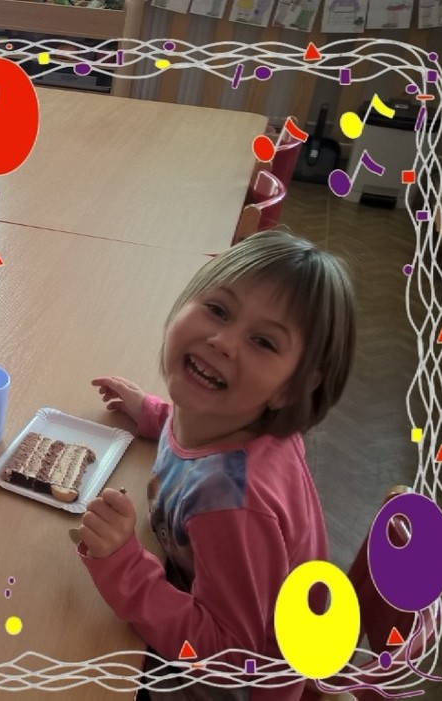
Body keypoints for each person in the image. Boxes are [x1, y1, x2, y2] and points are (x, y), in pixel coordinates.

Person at [77, 229, 357, 700]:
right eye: (219, 309)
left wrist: (124, 565)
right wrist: (153, 413)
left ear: (291, 389)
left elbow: (228, 658)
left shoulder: (229, 503)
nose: (224, 342)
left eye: (263, 342)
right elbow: (191, 433)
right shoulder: (233, 419)